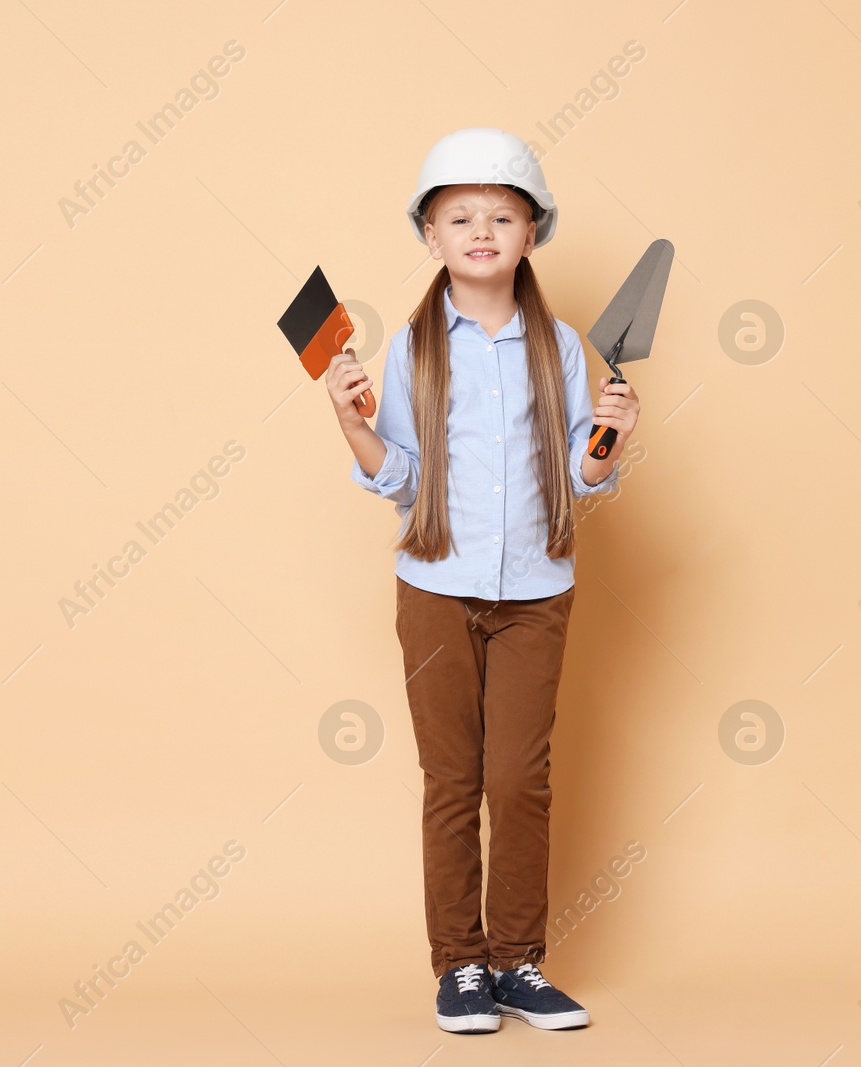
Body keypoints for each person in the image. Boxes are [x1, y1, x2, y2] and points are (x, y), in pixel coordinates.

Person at [327, 128, 640, 1034]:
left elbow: (590, 475)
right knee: (451, 778)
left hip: (537, 589)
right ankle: (459, 965)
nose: (480, 230)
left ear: (531, 233)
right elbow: (399, 479)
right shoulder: (413, 349)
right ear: (430, 236)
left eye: (502, 216)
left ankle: (517, 960)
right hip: (433, 588)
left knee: (520, 778)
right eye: (459, 216)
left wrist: (612, 430)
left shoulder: (567, 349)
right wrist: (353, 425)